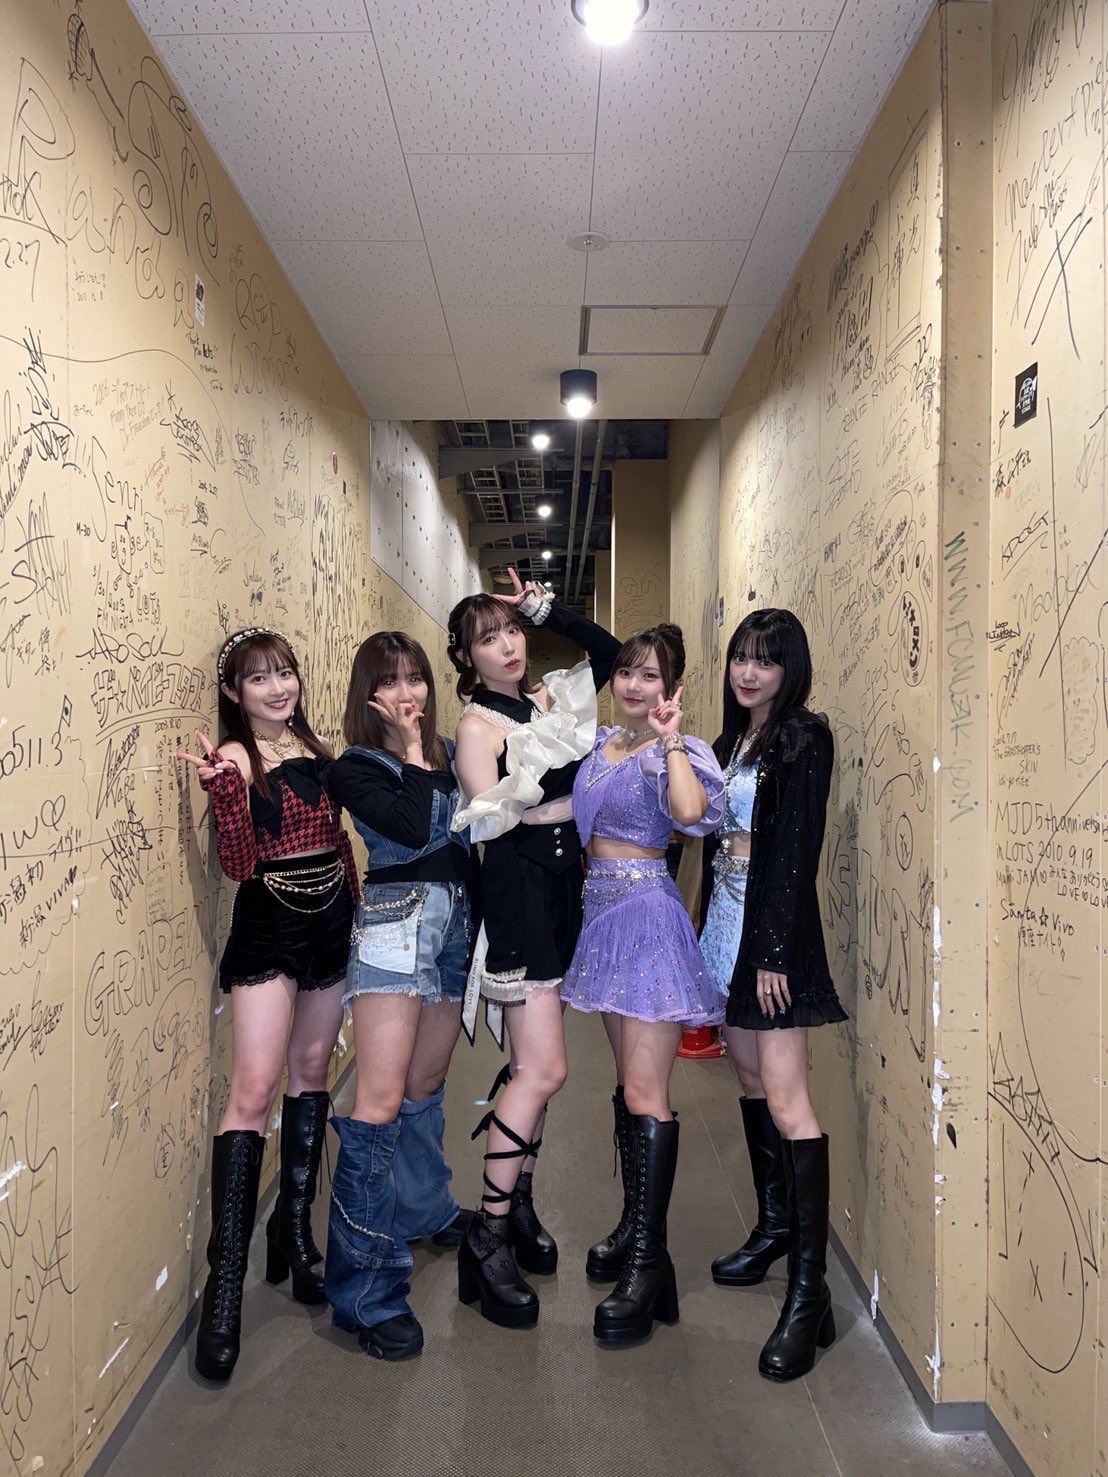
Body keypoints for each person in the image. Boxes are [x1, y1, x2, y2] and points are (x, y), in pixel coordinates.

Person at [177, 627, 357, 1383]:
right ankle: (227, 1284)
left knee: (312, 1070)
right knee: (252, 1090)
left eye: (285, 673)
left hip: (331, 920)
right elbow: (238, 863)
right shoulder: (237, 757)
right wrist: (224, 789)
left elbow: (340, 841)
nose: (279, 688)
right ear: (233, 692)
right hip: (269, 924)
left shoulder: (317, 749)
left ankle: (295, 1231)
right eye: (259, 678)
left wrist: (355, 909)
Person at [448, 571, 620, 1329]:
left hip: (561, 889)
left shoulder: (549, 700)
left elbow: (610, 654)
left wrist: (549, 610)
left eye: (513, 630)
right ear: (466, 657)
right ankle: (485, 1235)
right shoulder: (476, 727)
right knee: (546, 1069)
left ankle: (517, 1205)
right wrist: (547, 795)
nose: (508, 645)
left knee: (530, 1070)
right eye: (488, 638)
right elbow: (490, 819)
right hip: (517, 889)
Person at [560, 624, 724, 1345]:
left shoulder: (674, 752)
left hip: (648, 916)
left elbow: (690, 816)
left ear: (672, 688)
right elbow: (569, 818)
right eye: (626, 671)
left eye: (650, 675)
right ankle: (633, 1227)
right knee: (626, 1084)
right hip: (601, 920)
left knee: (646, 1092)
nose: (633, 685)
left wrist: (671, 739)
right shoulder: (600, 745)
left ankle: (649, 1265)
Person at [699, 608, 848, 1382]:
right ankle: (774, 1227)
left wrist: (774, 951)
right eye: (740, 658)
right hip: (727, 922)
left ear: (791, 668)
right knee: (752, 1077)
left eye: (765, 660)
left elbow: (795, 848)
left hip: (772, 935)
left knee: (790, 1099)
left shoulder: (802, 737)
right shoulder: (734, 741)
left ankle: (809, 1294)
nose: (748, 672)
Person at [321, 631, 474, 1361]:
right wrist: (413, 751)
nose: (407, 692)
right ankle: (364, 1292)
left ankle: (423, 1208)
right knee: (377, 1102)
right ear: (368, 694)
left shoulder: (451, 748)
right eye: (390, 681)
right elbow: (411, 830)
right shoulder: (354, 766)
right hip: (393, 924)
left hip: (455, 925)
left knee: (425, 1082)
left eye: (416, 677)